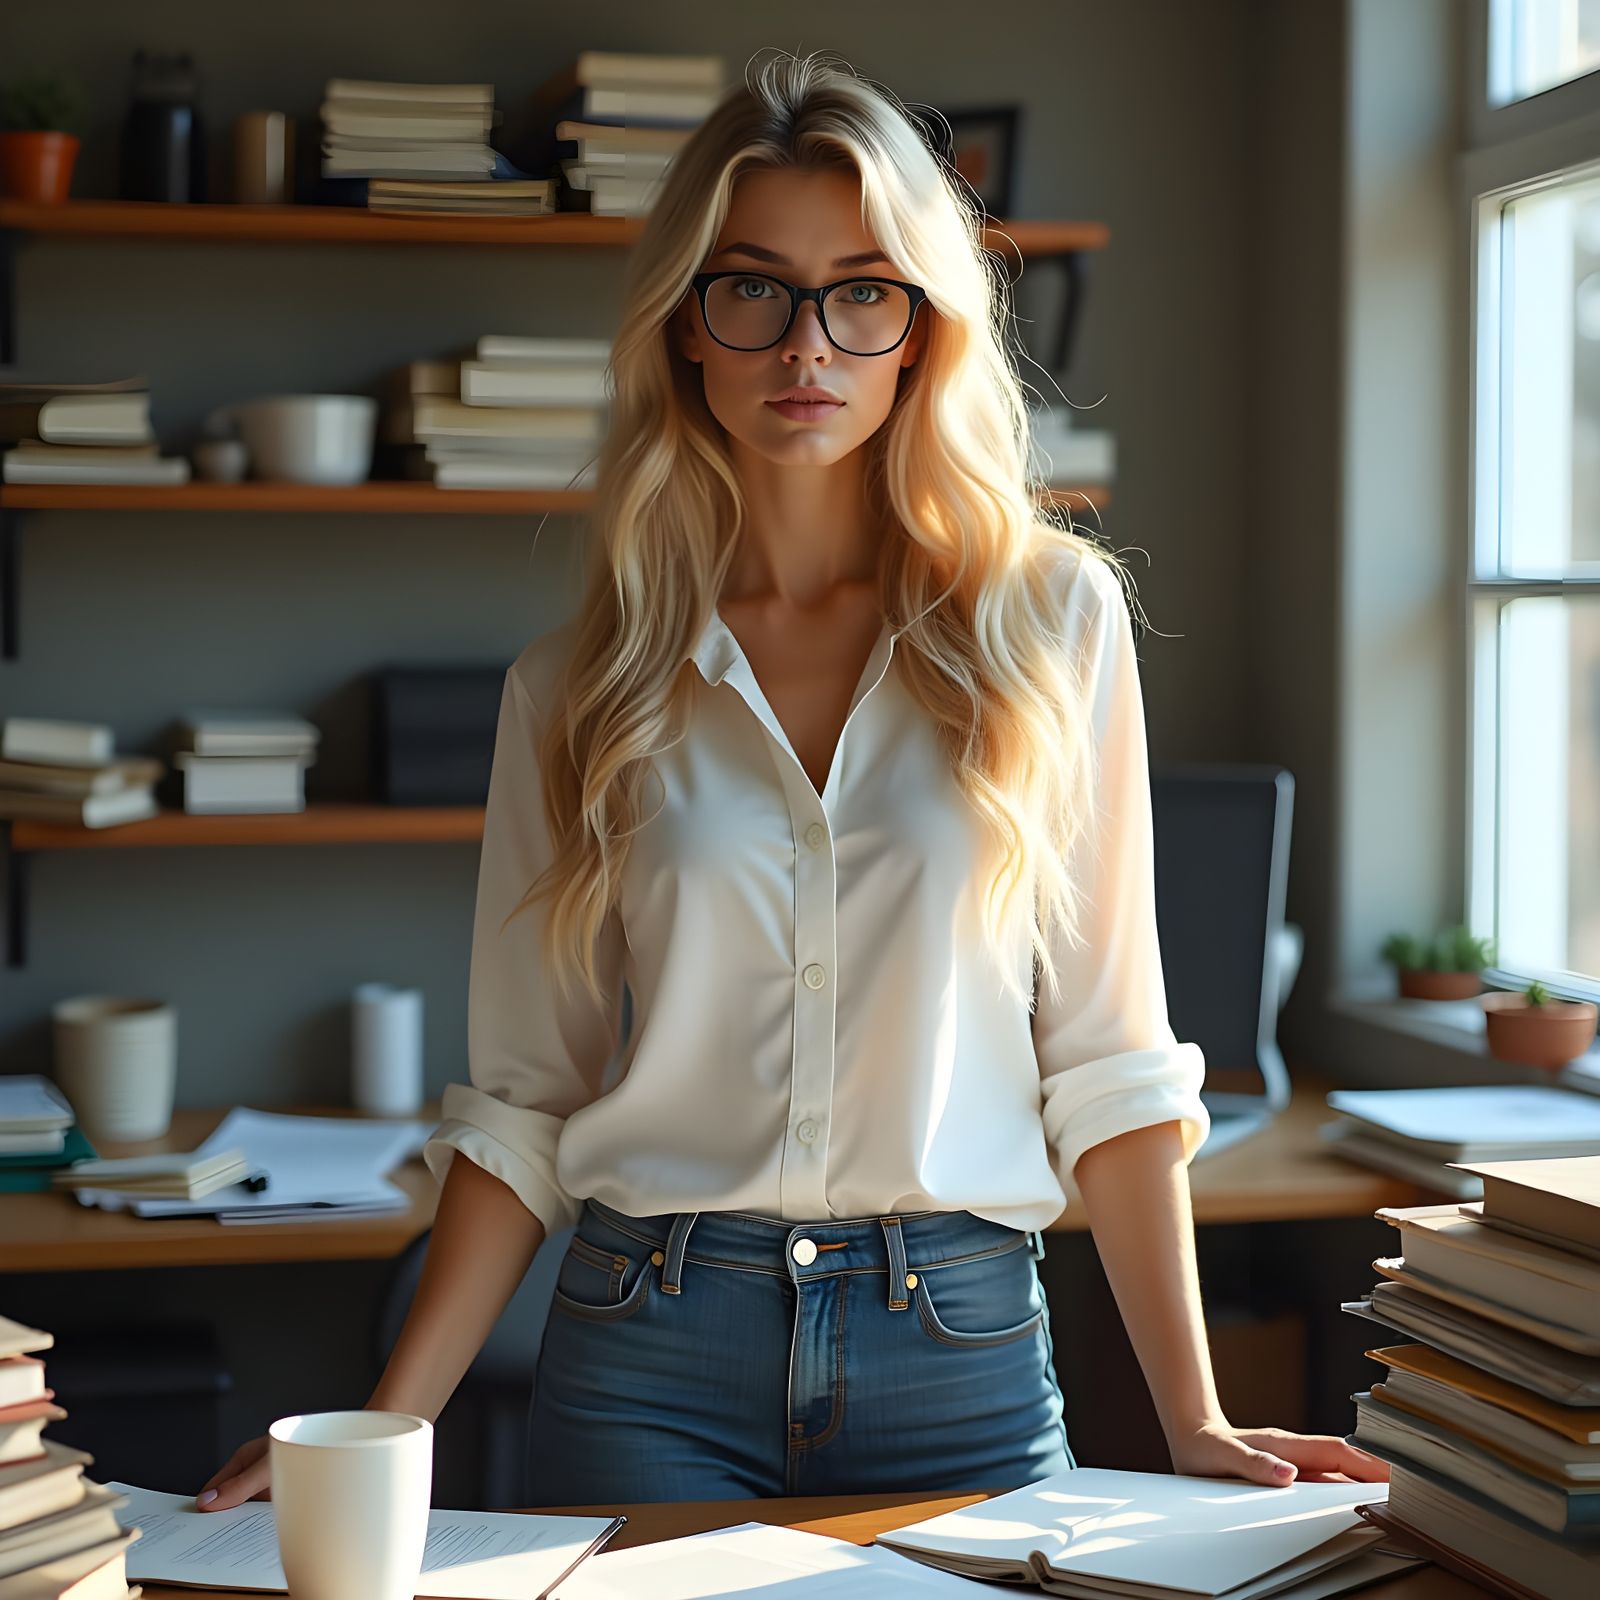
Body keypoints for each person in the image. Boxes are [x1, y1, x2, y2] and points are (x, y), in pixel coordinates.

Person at [197, 49, 1386, 1511]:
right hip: (647, 1349)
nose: (805, 348)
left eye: (861, 291)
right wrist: (380, 1429)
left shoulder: (1051, 629)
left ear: (921, 331)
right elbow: (521, 1109)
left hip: (959, 1344)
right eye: (753, 287)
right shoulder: (574, 687)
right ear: (686, 326)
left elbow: (1111, 1062)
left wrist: (1194, 1416)